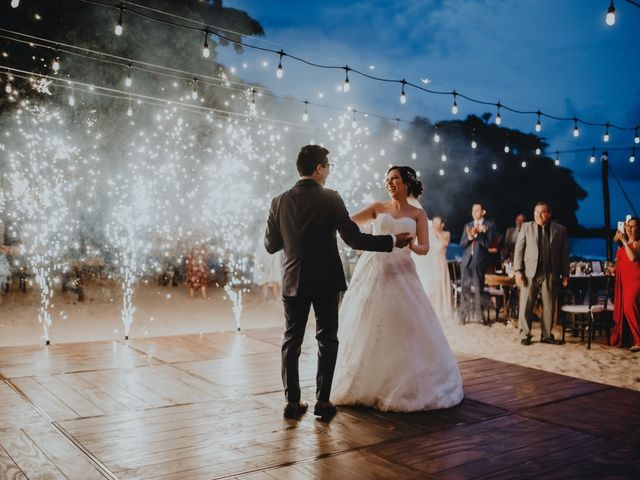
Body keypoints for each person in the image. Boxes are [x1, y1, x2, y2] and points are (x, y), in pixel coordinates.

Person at [264, 145, 413, 420]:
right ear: (319, 168)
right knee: (327, 339)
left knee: (291, 341)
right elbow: (354, 239)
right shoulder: (331, 198)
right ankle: (322, 402)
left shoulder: (278, 201)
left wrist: (294, 238)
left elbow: (271, 245)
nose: (329, 172)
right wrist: (392, 241)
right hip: (325, 280)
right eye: (328, 167)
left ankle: (292, 403)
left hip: (292, 280)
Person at [331, 166, 463, 412]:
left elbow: (425, 247)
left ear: (406, 183)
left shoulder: (418, 214)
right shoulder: (377, 208)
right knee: (367, 321)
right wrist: (365, 241)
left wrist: (411, 245)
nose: (389, 182)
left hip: (402, 270)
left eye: (394, 179)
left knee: (404, 323)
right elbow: (347, 225)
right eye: (387, 179)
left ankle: (402, 382)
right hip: (373, 268)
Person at [514, 202, 569, 346]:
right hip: (529, 272)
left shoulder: (560, 230)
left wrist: (565, 273)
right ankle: (525, 334)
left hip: (550, 272)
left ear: (549, 214)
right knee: (526, 303)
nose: (538, 215)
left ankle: (546, 335)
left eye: (542, 212)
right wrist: (518, 271)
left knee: (549, 305)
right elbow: (519, 250)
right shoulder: (526, 227)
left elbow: (564, 253)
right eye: (535, 212)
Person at [412, 212, 453, 321]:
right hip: (431, 264)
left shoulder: (446, 234)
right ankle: (433, 310)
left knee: (441, 286)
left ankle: (443, 310)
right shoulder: (429, 234)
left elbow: (445, 243)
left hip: (441, 264)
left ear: (442, 224)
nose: (435, 224)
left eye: (437, 222)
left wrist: (436, 232)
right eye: (433, 222)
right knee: (433, 287)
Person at [459, 203, 496, 324]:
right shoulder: (467, 225)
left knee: (479, 290)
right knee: (465, 289)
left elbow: (489, 245)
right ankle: (463, 316)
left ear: (483, 212)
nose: (474, 212)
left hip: (479, 261)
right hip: (466, 262)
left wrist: (477, 235)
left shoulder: (489, 225)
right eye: (472, 210)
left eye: (477, 210)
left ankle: (481, 316)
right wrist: (470, 237)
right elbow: (462, 244)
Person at [609, 217, 640, 351]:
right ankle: (633, 339)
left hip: (635, 280)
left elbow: (632, 258)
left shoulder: (637, 243)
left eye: (633, 226)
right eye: (628, 226)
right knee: (626, 309)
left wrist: (623, 240)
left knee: (630, 307)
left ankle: (639, 340)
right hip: (624, 281)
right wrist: (613, 269)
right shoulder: (623, 244)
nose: (629, 228)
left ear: (638, 229)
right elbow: (620, 261)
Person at [252, 233, 283, 301]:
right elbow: (259, 254)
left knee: (274, 279)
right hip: (264, 262)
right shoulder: (262, 240)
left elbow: (276, 254)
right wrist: (262, 263)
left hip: (273, 263)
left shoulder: (273, 239)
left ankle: (275, 297)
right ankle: (265, 297)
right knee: (265, 279)